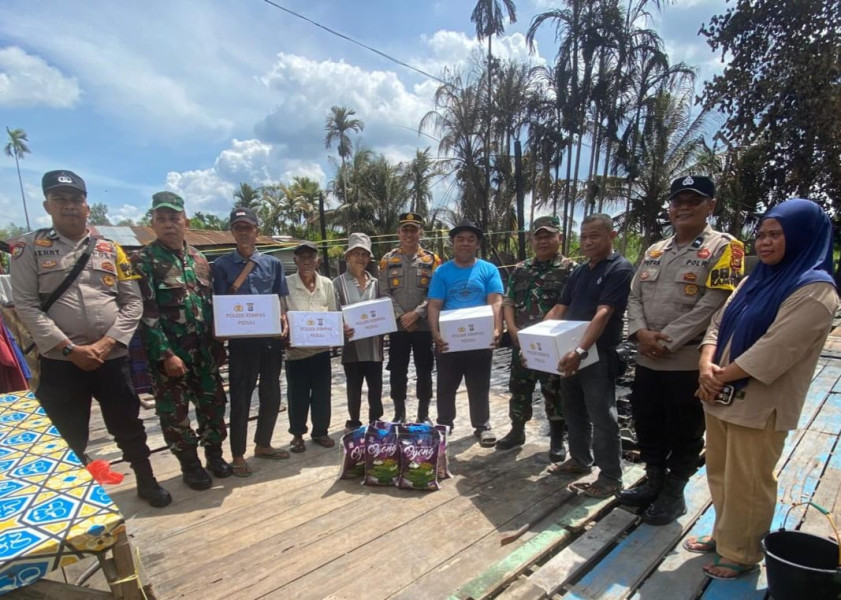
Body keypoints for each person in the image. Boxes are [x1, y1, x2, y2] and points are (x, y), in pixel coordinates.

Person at [691, 199, 838, 580]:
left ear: (803, 237)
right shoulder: (754, 279)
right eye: (761, 235)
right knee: (721, 473)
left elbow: (775, 350)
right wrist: (706, 364)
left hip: (759, 403)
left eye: (776, 234)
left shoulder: (815, 290)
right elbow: (717, 322)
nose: (765, 243)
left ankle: (741, 552)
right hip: (720, 393)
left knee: (750, 480)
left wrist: (718, 376)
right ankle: (726, 536)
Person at [11, 170, 171, 507]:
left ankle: (146, 480)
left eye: (76, 200)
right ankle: (70, 499)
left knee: (128, 424)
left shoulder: (110, 249)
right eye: (61, 200)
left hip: (111, 358)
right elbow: (25, 304)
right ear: (47, 205)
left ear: (87, 206)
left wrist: (107, 343)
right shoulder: (29, 248)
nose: (69, 206)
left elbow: (132, 302)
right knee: (67, 433)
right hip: (61, 361)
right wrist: (69, 348)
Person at [620, 176, 744, 525]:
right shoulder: (655, 250)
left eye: (694, 200)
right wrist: (641, 334)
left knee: (685, 430)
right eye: (678, 201)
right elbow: (634, 296)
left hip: (688, 360)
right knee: (647, 423)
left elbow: (716, 301)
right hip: (647, 358)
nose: (684, 207)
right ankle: (654, 481)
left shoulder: (726, 247)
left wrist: (668, 339)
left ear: (711, 206)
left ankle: (674, 493)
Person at [132, 191, 233, 491]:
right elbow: (146, 313)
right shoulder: (144, 260)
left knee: (213, 406)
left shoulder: (200, 259)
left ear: (185, 221)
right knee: (175, 415)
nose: (168, 224)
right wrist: (164, 355)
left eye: (174, 218)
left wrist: (219, 342)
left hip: (204, 353)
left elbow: (212, 305)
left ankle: (214, 455)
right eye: (161, 218)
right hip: (170, 358)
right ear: (152, 223)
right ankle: (190, 465)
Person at [543, 214, 634, 498]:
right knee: (573, 408)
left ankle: (610, 477)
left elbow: (603, 313)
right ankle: (580, 459)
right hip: (569, 353)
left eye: (594, 235)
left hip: (597, 355)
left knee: (602, 414)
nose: (588, 242)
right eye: (583, 236)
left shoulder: (619, 269)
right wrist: (536, 341)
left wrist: (581, 350)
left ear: (612, 235)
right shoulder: (580, 272)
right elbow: (560, 308)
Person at [211, 207, 290, 478]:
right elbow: (219, 306)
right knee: (241, 397)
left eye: (248, 227)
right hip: (241, 342)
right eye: (238, 227)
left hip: (269, 340)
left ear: (257, 231)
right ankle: (237, 454)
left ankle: (263, 444)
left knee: (271, 393)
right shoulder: (221, 266)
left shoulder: (273, 264)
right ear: (232, 232)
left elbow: (280, 300)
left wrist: (284, 320)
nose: (243, 232)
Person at [496, 215, 575, 462]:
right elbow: (508, 301)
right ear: (531, 240)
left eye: (548, 236)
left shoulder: (570, 269)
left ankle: (555, 439)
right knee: (519, 388)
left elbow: (572, 305)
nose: (543, 241)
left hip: (553, 345)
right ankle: (517, 431)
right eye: (538, 236)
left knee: (554, 391)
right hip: (521, 343)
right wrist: (511, 329)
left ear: (559, 238)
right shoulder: (521, 269)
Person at [427, 218, 504, 446]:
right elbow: (434, 305)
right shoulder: (442, 272)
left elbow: (496, 301)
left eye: (471, 239)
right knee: (446, 384)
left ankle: (482, 426)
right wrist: (435, 333)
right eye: (460, 239)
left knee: (479, 384)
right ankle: (444, 424)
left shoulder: (488, 269)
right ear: (453, 243)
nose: (465, 243)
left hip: (480, 339)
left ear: (477, 244)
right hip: (449, 340)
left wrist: (498, 328)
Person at [378, 212, 441, 422]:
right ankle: (399, 414)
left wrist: (416, 314)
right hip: (397, 328)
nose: (409, 234)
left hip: (423, 327)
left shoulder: (432, 260)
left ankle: (423, 415)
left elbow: (435, 292)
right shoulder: (387, 260)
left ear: (420, 232)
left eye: (413, 229)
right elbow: (384, 291)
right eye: (405, 229)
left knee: (424, 371)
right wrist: (402, 316)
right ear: (398, 232)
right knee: (397, 371)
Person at [282, 241, 338, 453]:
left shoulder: (327, 284)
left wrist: (336, 332)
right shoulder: (285, 284)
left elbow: (333, 313)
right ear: (295, 260)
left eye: (311, 257)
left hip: (321, 350)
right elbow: (282, 314)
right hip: (296, 353)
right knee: (297, 395)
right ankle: (297, 435)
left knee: (322, 393)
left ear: (317, 260)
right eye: (302, 257)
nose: (306, 261)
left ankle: (320, 432)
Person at [334, 233, 384, 431]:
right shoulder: (337, 283)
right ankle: (354, 421)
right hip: (351, 345)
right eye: (356, 253)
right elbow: (333, 310)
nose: (360, 258)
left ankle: (376, 421)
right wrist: (341, 325)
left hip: (374, 345)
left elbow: (383, 311)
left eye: (364, 254)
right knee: (354, 387)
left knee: (375, 387)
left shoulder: (376, 283)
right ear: (348, 256)